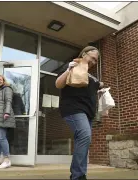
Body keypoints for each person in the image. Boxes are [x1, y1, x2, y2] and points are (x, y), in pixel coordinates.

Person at [55, 46, 104, 180]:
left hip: (87, 113)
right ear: (84, 54)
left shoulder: (92, 77)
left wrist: (99, 90)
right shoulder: (73, 66)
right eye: (92, 58)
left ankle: (78, 174)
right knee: (85, 135)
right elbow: (58, 84)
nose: (94, 62)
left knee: (83, 140)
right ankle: (78, 176)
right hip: (73, 109)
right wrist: (68, 70)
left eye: (96, 61)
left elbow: (90, 93)